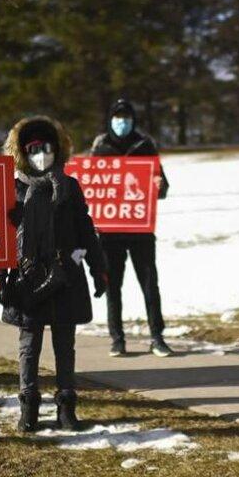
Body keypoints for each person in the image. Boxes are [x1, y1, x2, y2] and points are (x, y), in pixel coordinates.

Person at [0, 116, 107, 431]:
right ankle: (28, 408)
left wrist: (97, 268)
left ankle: (66, 408)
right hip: (26, 278)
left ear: (57, 150)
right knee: (29, 346)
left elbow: (85, 229)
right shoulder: (12, 187)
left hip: (66, 275)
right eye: (33, 149)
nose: (41, 155)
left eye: (46, 148)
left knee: (65, 346)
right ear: (23, 153)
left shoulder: (69, 186)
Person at [88, 98, 174, 357]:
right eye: (118, 117)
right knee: (112, 286)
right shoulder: (100, 146)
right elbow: (92, 185)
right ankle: (117, 339)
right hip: (110, 230)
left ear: (133, 120)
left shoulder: (145, 145)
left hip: (140, 229)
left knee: (149, 284)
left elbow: (162, 184)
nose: (122, 122)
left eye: (126, 117)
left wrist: (159, 185)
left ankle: (157, 337)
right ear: (110, 119)